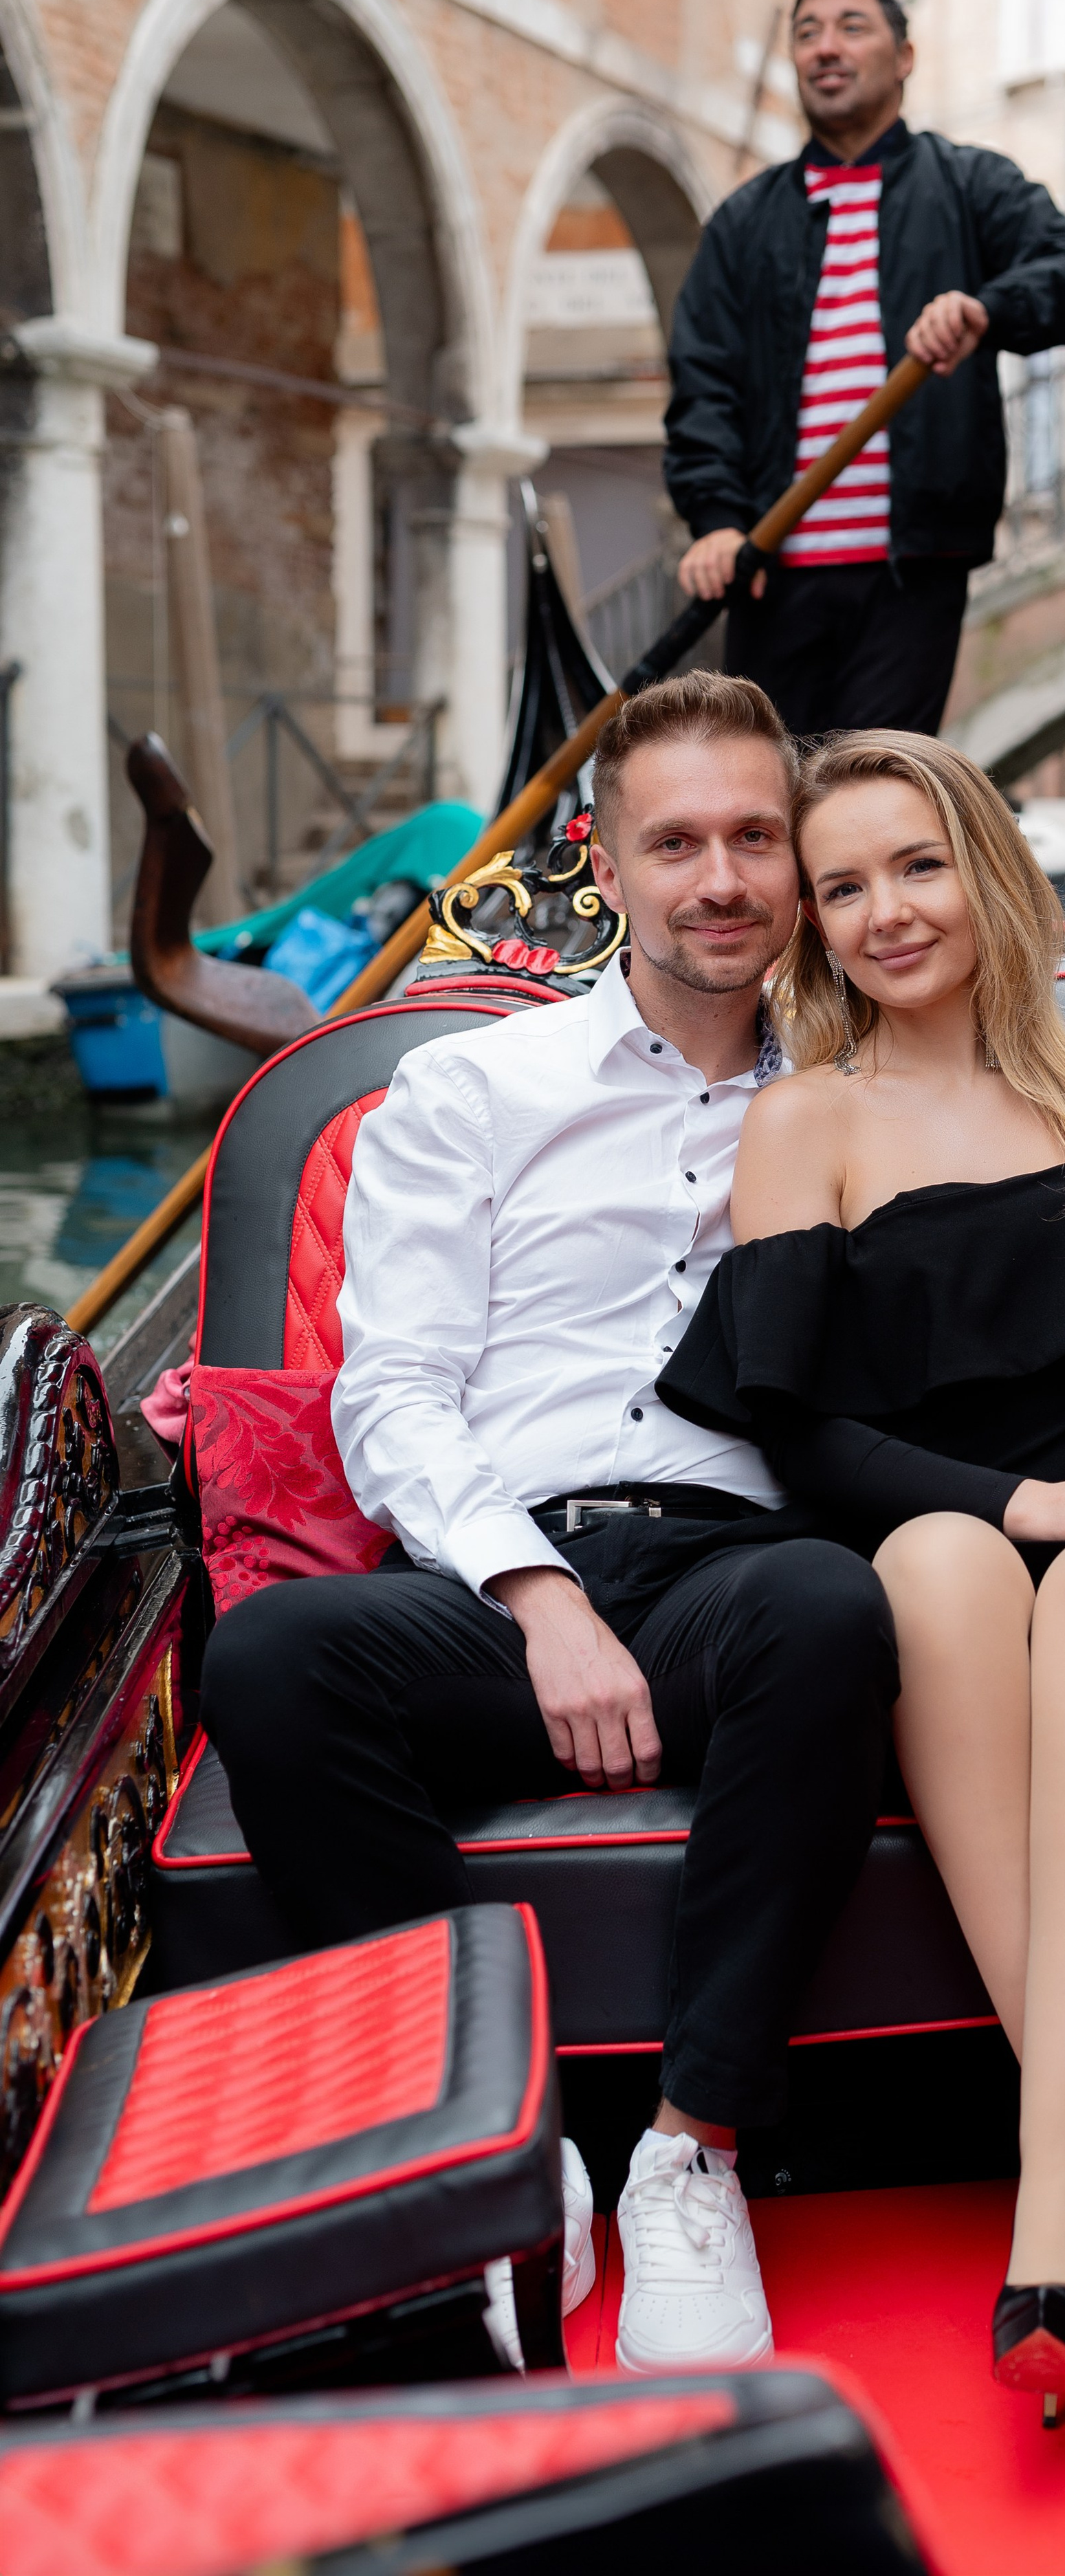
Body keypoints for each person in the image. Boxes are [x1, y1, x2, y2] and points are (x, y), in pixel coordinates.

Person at [199, 671, 904, 2381]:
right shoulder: (469, 1089)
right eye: (677, 842)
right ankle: (497, 2140)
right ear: (604, 862)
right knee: (275, 1657)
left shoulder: (863, 1097)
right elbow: (392, 1395)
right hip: (498, 1576)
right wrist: (535, 1590)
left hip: (734, 1573)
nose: (719, 879)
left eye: (755, 839)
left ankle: (690, 2151)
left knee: (828, 1608)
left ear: (796, 862)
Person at [659, 731, 1065, 2413]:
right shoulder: (806, 1121)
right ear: (811, 922)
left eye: (917, 865)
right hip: (976, 1542)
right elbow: (802, 1434)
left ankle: (1049, 2203)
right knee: (935, 1562)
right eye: (842, 885)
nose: (884, 911)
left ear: (986, 873)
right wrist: (1039, 1500)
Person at [664, 0, 1065, 739]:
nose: (825, 48)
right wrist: (717, 519)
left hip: (913, 570)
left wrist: (985, 309)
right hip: (770, 565)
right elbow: (704, 382)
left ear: (904, 58)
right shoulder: (743, 222)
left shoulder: (970, 185)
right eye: (808, 34)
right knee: (771, 786)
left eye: (852, 28)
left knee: (875, 780)